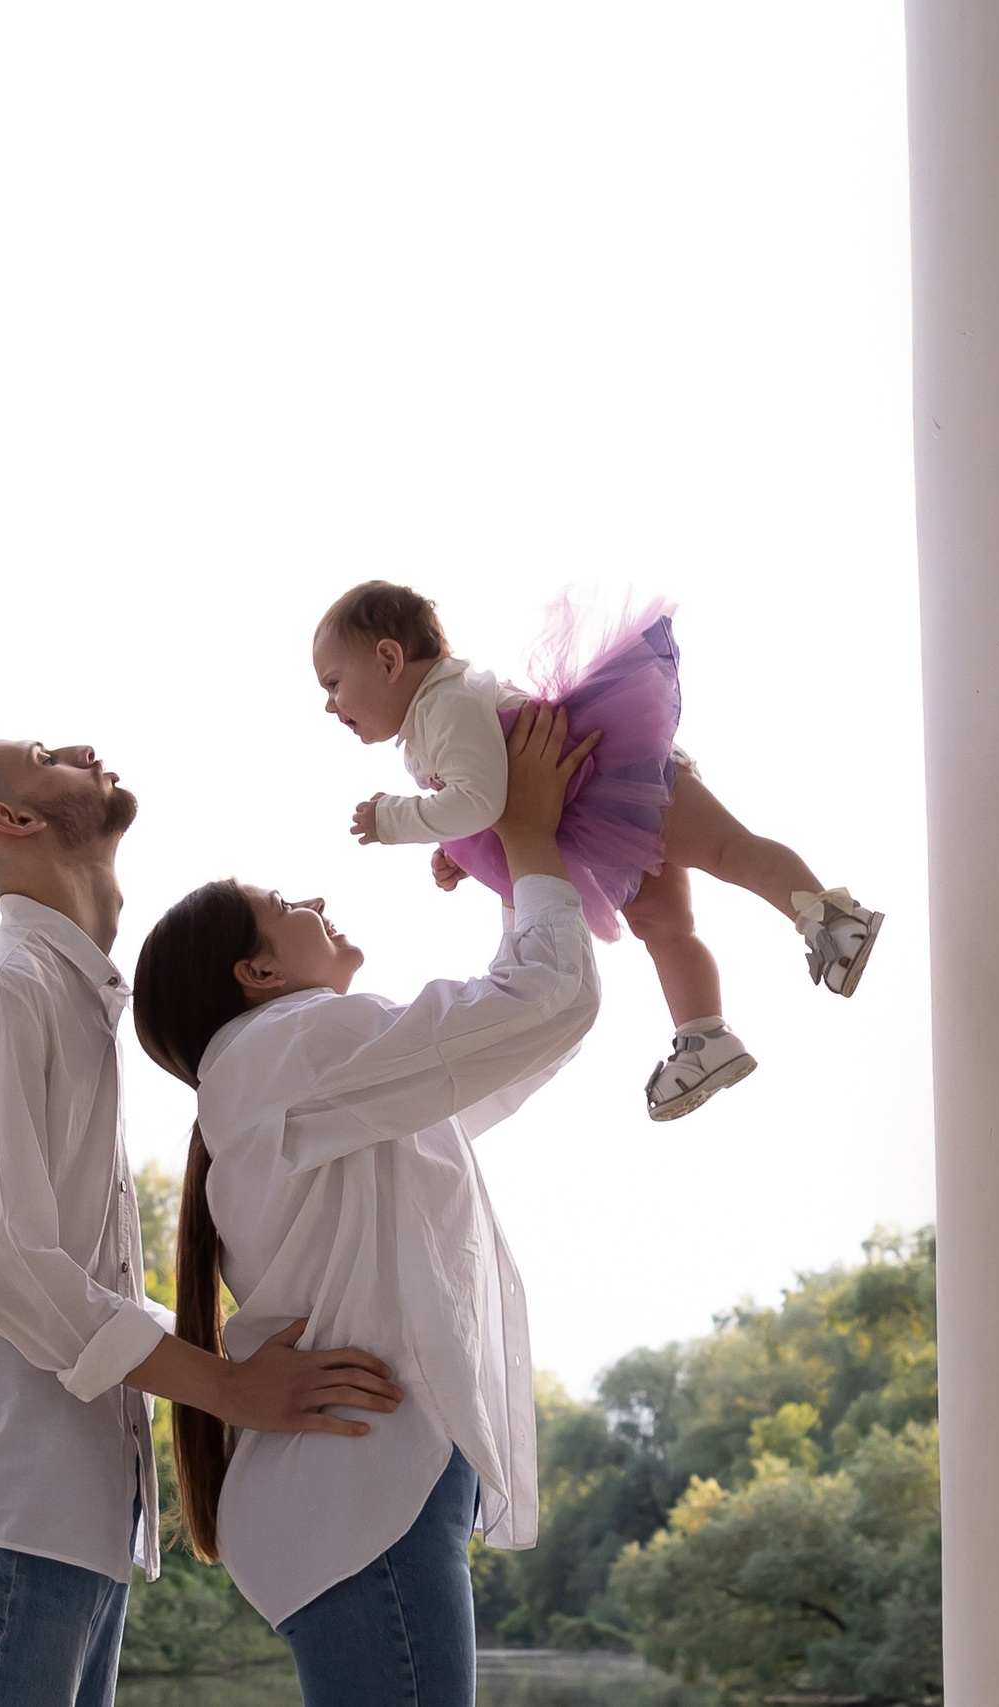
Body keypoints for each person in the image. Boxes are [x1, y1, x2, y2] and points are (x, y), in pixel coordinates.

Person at [0, 733, 405, 1707]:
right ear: (14, 820)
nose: (82, 748)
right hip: (21, 1495)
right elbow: (3, 1264)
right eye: (44, 754)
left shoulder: (66, 1001)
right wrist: (225, 1388)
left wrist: (234, 1363)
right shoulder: (0, 993)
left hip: (71, 1503)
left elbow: (68, 1277)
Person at [130, 702, 602, 1707]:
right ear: (255, 974)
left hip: (354, 1495)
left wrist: (508, 868)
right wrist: (525, 837)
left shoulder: (286, 1069)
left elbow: (511, 1041)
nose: (312, 899)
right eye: (282, 900)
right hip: (364, 1497)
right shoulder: (297, 1044)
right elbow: (546, 1004)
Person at [312, 580, 883, 1122]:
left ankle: (828, 915)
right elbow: (489, 799)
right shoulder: (430, 720)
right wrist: (460, 853)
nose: (331, 706)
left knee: (725, 849)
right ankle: (704, 1035)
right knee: (662, 923)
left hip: (614, 772)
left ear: (389, 660)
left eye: (334, 683)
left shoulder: (446, 702)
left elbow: (481, 800)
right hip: (594, 813)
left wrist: (395, 818)